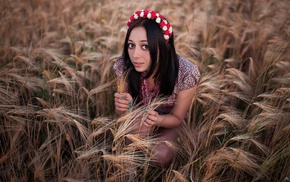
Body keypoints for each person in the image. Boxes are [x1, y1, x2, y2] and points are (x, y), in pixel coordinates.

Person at [113, 9, 200, 168]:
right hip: (140, 114)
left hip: (169, 119)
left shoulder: (186, 73)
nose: (135, 55)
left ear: (162, 46)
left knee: (160, 157)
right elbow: (122, 113)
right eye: (131, 45)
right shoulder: (124, 65)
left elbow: (177, 118)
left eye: (145, 46)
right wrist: (126, 107)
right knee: (131, 142)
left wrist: (156, 120)